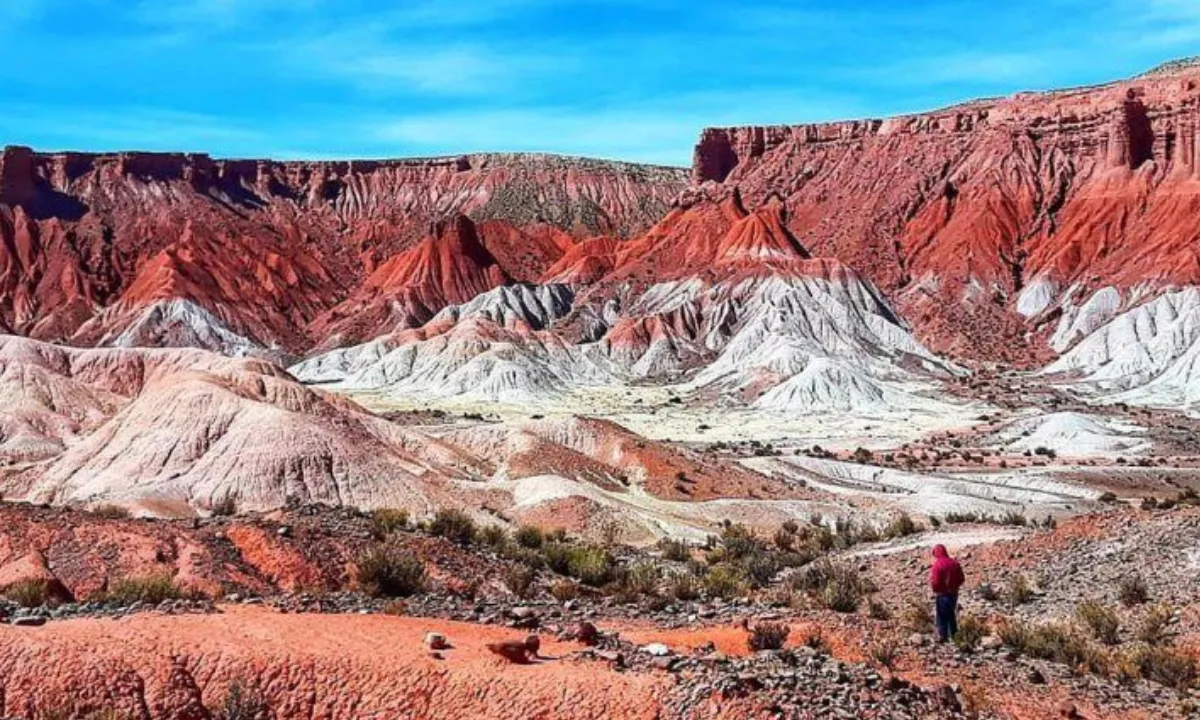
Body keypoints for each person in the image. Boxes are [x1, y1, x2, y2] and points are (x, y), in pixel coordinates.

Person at [929, 544, 965, 643]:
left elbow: (936, 582)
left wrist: (936, 589)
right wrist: (955, 586)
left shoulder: (938, 565)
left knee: (942, 615)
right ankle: (954, 634)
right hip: (954, 593)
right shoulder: (954, 563)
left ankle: (943, 636)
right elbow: (961, 578)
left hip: (943, 594)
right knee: (951, 614)